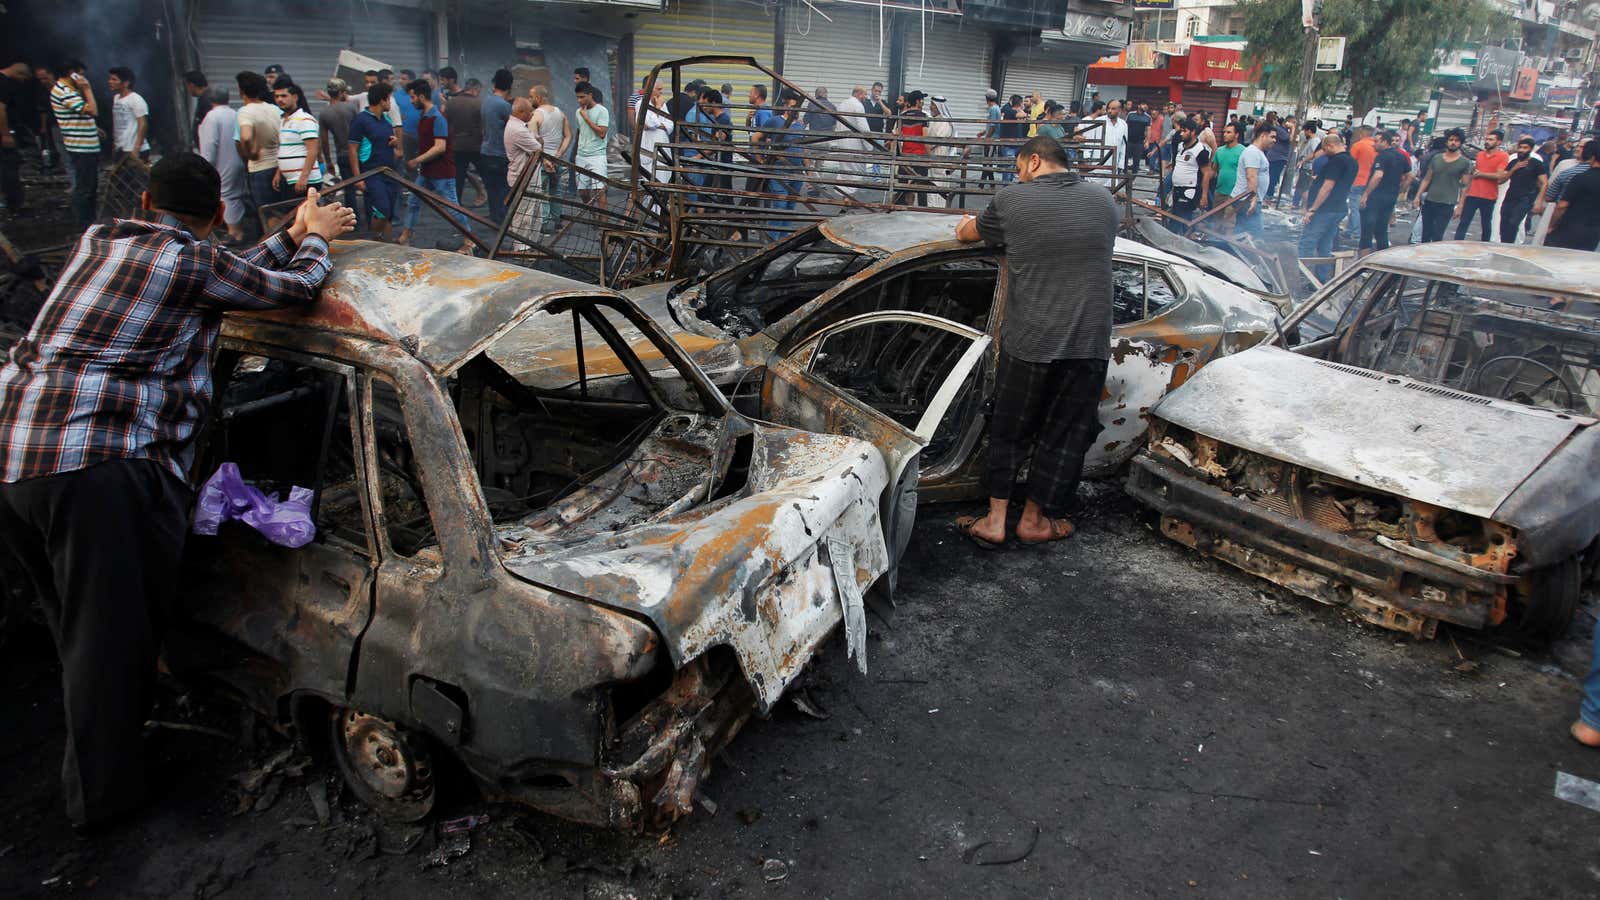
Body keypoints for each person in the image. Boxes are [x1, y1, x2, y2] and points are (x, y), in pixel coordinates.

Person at [0, 154, 354, 833]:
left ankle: (101, 733)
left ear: (141, 200)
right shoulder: (194, 264)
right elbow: (297, 287)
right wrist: (316, 236)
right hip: (93, 468)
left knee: (77, 626)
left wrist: (290, 229)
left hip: (17, 453)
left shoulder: (99, 242)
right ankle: (105, 804)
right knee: (109, 643)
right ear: (219, 212)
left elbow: (222, 272)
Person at [951, 135, 1117, 548]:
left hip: (1030, 342)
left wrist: (964, 223)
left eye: (1020, 167)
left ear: (1036, 160)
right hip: (1087, 342)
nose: (1018, 176)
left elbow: (968, 233)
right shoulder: (1104, 201)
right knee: (1063, 434)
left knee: (1009, 428)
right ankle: (1034, 521)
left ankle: (994, 520)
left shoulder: (1012, 201)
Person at [347, 81, 402, 241]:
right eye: (389, 99)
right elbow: (352, 149)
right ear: (382, 100)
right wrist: (358, 177)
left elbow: (388, 139)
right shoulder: (361, 120)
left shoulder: (385, 119)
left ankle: (388, 247)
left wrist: (394, 142)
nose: (390, 103)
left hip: (389, 173)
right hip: (372, 173)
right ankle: (371, 241)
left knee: (389, 213)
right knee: (381, 210)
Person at [49, 62, 100, 229]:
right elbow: (93, 110)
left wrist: (93, 127)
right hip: (81, 146)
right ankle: (85, 225)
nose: (84, 78)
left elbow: (78, 114)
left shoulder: (68, 91)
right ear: (73, 73)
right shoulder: (65, 92)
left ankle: (90, 222)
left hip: (84, 144)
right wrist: (87, 89)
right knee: (85, 186)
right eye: (81, 74)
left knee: (89, 185)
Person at [1299, 134, 1356, 281]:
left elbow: (1327, 187)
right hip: (1338, 208)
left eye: (1325, 149)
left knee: (1307, 242)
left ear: (1331, 145)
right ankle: (1320, 279)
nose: (1324, 153)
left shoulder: (1336, 162)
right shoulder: (1352, 161)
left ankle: (1305, 277)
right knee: (1325, 244)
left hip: (1325, 210)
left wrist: (1313, 209)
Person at [195, 87, 245, 242]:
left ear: (210, 100)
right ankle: (236, 229)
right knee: (234, 194)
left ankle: (235, 232)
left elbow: (210, 143)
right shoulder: (235, 114)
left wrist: (205, 165)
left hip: (221, 162)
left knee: (226, 195)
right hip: (238, 160)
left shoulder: (212, 117)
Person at [236, 71, 283, 225]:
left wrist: (249, 153)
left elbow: (246, 136)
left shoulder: (245, 112)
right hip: (279, 167)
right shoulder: (275, 109)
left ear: (241, 91)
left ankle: (276, 246)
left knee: (267, 214)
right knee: (282, 211)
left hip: (260, 169)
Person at [1357, 130, 1410, 254]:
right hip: (1390, 197)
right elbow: (1410, 176)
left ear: (1385, 142)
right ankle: (1382, 261)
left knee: (1367, 230)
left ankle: (1363, 265)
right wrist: (1401, 189)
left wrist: (1365, 194)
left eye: (1376, 142)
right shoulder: (1401, 156)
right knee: (1381, 230)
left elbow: (1378, 176)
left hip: (1375, 198)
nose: (1373, 144)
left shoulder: (1382, 156)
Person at [1413, 128, 1470, 243]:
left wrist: (1460, 206)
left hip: (1447, 203)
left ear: (1460, 143)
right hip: (1430, 200)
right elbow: (1427, 179)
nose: (1453, 142)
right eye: (1451, 139)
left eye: (1457, 140)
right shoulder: (1437, 158)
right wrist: (1417, 196)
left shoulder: (1464, 162)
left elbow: (1465, 185)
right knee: (1425, 234)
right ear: (1446, 141)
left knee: (1438, 235)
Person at [503, 97, 544, 248]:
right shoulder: (518, 129)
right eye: (529, 112)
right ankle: (521, 249)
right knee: (524, 216)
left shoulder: (520, 126)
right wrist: (539, 142)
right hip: (524, 178)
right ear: (520, 112)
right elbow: (538, 148)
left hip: (529, 177)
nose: (532, 114)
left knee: (534, 215)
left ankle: (530, 246)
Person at [1546, 140, 1600, 252]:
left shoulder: (1580, 178)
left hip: (1570, 227)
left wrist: (1551, 225)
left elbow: (1562, 205)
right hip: (1594, 231)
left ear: (1593, 157)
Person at [530, 84, 571, 233]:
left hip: (542, 161)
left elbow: (534, 141)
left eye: (531, 96)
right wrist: (558, 154)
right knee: (557, 191)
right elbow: (568, 136)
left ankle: (544, 223)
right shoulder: (560, 113)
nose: (530, 100)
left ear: (538, 97)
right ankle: (557, 220)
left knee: (543, 192)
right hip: (558, 160)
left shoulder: (535, 115)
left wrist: (545, 158)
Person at [1456, 129, 1508, 241]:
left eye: (1491, 139)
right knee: (1464, 222)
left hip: (1489, 195)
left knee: (1486, 224)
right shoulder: (1480, 155)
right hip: (1473, 193)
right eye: (1487, 139)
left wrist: (1481, 174)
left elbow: (1499, 175)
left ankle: (1485, 245)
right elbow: (1473, 174)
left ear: (1498, 142)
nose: (1487, 142)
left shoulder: (1503, 156)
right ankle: (1457, 243)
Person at [273, 81, 322, 198]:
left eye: (284, 96)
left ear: (295, 97)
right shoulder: (283, 120)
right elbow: (286, 148)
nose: (280, 99)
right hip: (290, 181)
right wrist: (278, 173)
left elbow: (313, 150)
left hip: (305, 182)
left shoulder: (304, 120)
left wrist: (303, 178)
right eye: (277, 96)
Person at [478, 69, 514, 223]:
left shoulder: (486, 101)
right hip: (500, 154)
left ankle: (494, 217)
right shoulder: (504, 106)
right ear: (509, 86)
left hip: (485, 151)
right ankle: (502, 220)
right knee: (504, 189)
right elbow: (513, 127)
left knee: (491, 189)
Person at [444, 77, 486, 209]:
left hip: (456, 145)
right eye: (479, 90)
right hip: (476, 146)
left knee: (458, 176)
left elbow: (447, 123)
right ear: (475, 89)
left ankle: (456, 204)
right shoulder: (479, 104)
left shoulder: (451, 103)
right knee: (486, 174)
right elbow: (483, 127)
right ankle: (493, 201)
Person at [1497, 137, 1547, 244]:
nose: (1521, 150)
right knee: (1504, 224)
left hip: (1525, 198)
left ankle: (1508, 247)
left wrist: (1539, 201)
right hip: (1510, 196)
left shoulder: (1536, 163)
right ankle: (1504, 245)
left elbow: (1544, 182)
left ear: (1530, 149)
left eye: (1525, 148)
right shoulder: (1514, 162)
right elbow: (1501, 180)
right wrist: (1514, 169)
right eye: (1520, 147)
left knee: (1513, 224)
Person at [1167, 118, 1211, 230]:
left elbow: (1206, 173)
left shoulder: (1200, 150)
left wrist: (1204, 196)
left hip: (1189, 191)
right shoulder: (1180, 146)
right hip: (1177, 188)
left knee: (1182, 219)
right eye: (1181, 130)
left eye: (1185, 131)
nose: (1181, 134)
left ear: (1193, 132)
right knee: (1174, 217)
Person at [573, 81, 610, 212]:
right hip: (582, 155)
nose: (579, 100)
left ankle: (603, 225)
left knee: (599, 190)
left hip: (597, 155)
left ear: (590, 95)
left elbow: (601, 133)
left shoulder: (602, 111)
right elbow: (580, 132)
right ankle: (594, 215)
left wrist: (587, 118)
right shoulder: (578, 112)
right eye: (577, 97)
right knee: (582, 191)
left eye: (582, 97)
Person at [1233, 123, 1273, 237]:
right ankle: (1241, 253)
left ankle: (1233, 252)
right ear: (1263, 136)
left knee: (1241, 231)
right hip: (1247, 200)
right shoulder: (1252, 152)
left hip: (1248, 199)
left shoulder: (1257, 152)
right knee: (1255, 233)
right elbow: (1251, 176)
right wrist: (1254, 199)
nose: (1274, 140)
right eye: (1272, 137)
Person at [316, 79, 358, 184]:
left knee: (349, 188)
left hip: (342, 155)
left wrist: (329, 162)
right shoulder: (351, 107)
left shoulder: (325, 113)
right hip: (358, 153)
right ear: (341, 93)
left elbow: (324, 141)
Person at [892, 91, 931, 206]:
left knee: (902, 187)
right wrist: (930, 156)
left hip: (905, 156)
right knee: (922, 189)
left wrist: (896, 154)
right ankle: (923, 211)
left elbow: (897, 136)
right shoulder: (923, 116)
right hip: (920, 157)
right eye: (922, 100)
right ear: (918, 101)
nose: (923, 102)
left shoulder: (903, 116)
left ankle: (899, 211)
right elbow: (925, 138)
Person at [0, 60, 28, 215]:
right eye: (23, 79)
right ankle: (13, 202)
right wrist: (5, 134)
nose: (22, 82)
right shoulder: (3, 83)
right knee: (9, 165)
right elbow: (1, 109)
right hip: (4, 132)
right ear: (19, 73)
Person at [107, 67, 149, 161]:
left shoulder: (136, 99)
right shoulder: (116, 98)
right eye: (110, 79)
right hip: (121, 149)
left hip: (134, 149)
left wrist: (136, 148)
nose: (110, 82)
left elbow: (143, 124)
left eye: (114, 79)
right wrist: (116, 144)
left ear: (126, 83)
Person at [637, 76, 671, 186]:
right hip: (649, 149)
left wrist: (658, 123)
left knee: (663, 182)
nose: (661, 92)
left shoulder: (663, 104)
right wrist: (657, 108)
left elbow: (670, 125)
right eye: (659, 89)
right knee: (651, 183)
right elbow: (647, 124)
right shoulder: (641, 104)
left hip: (663, 148)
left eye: (661, 89)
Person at [1343, 125, 1374, 239]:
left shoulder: (1358, 145)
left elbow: (1350, 163)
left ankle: (1356, 233)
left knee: (1355, 208)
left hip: (1358, 180)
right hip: (1371, 182)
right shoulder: (1376, 147)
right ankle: (1349, 230)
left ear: (1362, 133)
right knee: (1359, 207)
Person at [1210, 122, 1244, 209]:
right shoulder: (1219, 151)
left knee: (1229, 221)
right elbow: (1213, 170)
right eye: (1224, 132)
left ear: (1236, 135)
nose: (1225, 135)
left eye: (1228, 132)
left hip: (1235, 194)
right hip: (1219, 192)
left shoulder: (1243, 151)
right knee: (1216, 220)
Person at [997, 95, 1026, 182]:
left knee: (1012, 167)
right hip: (1009, 145)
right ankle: (1006, 186)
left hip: (1015, 144)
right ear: (1020, 103)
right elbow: (1022, 115)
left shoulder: (1009, 110)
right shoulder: (1009, 111)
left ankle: (1008, 184)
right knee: (1008, 167)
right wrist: (1021, 110)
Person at [1267, 112, 1293, 203]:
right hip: (1276, 157)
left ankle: (1269, 195)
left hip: (1280, 157)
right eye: (1292, 122)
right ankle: (1268, 196)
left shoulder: (1283, 130)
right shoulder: (1280, 130)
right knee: (1272, 177)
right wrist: (1293, 128)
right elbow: (1290, 139)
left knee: (1274, 177)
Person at [182, 70, 211, 145]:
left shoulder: (207, 100)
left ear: (191, 85)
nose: (188, 90)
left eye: (187, 86)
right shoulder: (204, 98)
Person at [1124, 102, 1150, 173]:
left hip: (1139, 142)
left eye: (1146, 105)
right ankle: (1123, 173)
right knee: (1125, 157)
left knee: (1137, 159)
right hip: (1129, 140)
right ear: (1139, 106)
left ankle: (1134, 175)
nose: (1145, 106)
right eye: (1143, 104)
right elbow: (1125, 126)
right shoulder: (1131, 114)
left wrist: (1147, 141)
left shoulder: (1147, 117)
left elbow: (1148, 130)